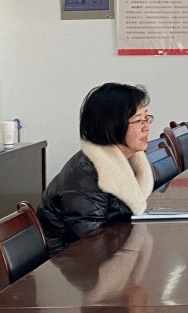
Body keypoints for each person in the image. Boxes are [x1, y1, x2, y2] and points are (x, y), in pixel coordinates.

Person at [38, 83, 155, 254]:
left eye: (147, 118)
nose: (147, 127)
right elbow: (90, 243)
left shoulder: (130, 161)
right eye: (139, 121)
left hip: (107, 252)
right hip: (69, 262)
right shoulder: (87, 173)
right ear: (112, 124)